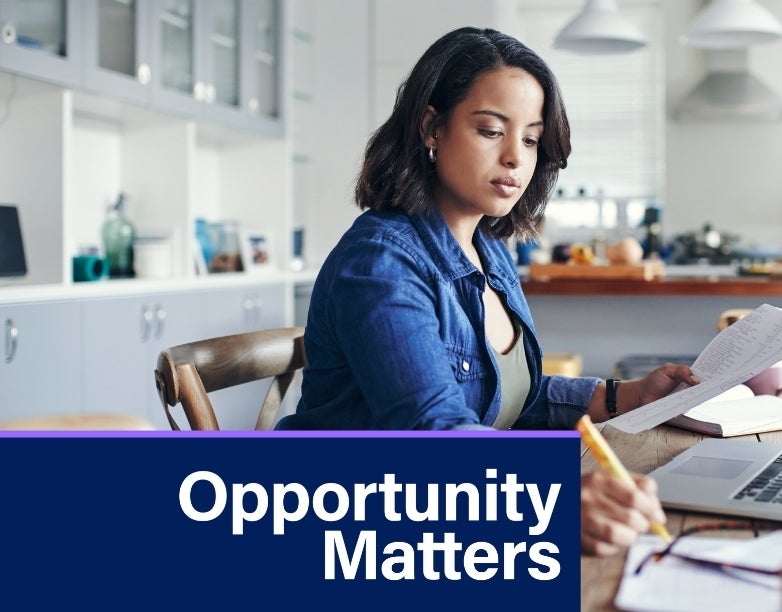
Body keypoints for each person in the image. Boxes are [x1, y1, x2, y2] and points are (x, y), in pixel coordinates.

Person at [276, 26, 698, 556]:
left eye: (529, 138)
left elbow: (509, 397)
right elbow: (432, 432)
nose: (516, 159)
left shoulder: (490, 248)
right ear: (432, 127)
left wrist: (628, 395)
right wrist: (555, 498)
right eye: (490, 130)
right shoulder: (381, 262)